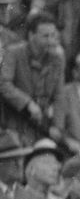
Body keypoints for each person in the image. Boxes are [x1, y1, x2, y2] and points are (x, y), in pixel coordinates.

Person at [0, 12, 63, 141]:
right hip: (15, 122)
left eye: (53, 35)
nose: (51, 41)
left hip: (42, 125)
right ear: (31, 35)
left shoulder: (57, 58)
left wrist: (58, 126)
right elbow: (4, 84)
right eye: (45, 36)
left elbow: (59, 96)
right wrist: (28, 103)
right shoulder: (13, 53)